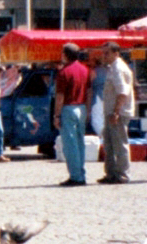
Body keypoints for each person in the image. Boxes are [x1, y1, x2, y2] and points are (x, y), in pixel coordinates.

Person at [52, 44, 91, 186]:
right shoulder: (85, 70)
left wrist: (56, 115)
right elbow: (89, 92)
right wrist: (88, 110)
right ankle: (81, 172)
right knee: (80, 143)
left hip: (68, 108)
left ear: (65, 55)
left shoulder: (64, 72)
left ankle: (76, 176)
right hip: (81, 107)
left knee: (70, 145)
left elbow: (60, 96)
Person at [98, 42, 135, 184]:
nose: (104, 55)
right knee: (109, 144)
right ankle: (111, 173)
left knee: (120, 144)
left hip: (118, 113)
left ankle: (123, 174)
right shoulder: (112, 68)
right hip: (110, 111)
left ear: (116, 53)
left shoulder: (119, 68)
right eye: (103, 52)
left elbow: (122, 93)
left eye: (107, 53)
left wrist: (116, 112)